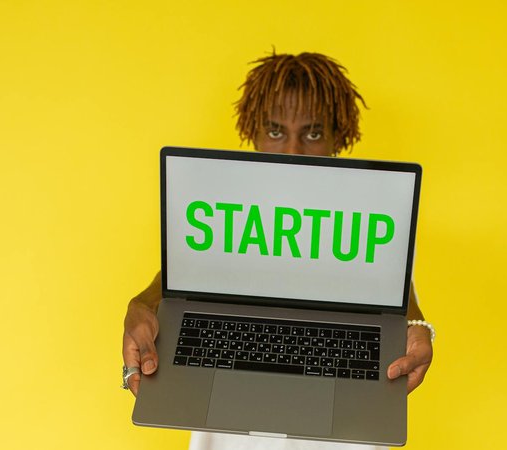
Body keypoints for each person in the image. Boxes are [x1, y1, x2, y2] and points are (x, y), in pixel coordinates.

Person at [122, 52, 434, 449]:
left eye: (313, 134)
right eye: (274, 130)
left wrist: (418, 326)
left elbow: (392, 292)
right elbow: (186, 273)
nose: (292, 151)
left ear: (339, 136)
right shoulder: (222, 203)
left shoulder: (374, 208)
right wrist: (145, 302)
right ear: (252, 131)